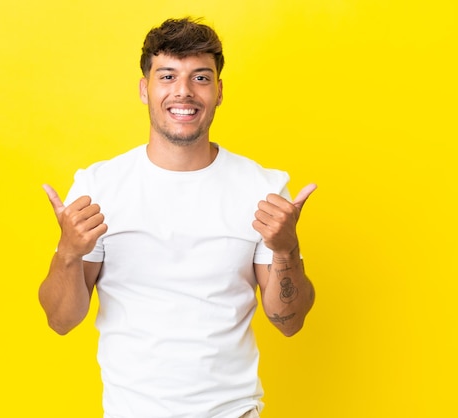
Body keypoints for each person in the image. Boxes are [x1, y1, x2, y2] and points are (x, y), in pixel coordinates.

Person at [39, 17, 316, 418]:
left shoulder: (264, 188)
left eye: (200, 77)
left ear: (219, 91)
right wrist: (68, 252)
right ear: (144, 89)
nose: (183, 92)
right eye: (167, 75)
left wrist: (287, 249)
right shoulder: (99, 186)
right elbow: (61, 321)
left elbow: (288, 322)